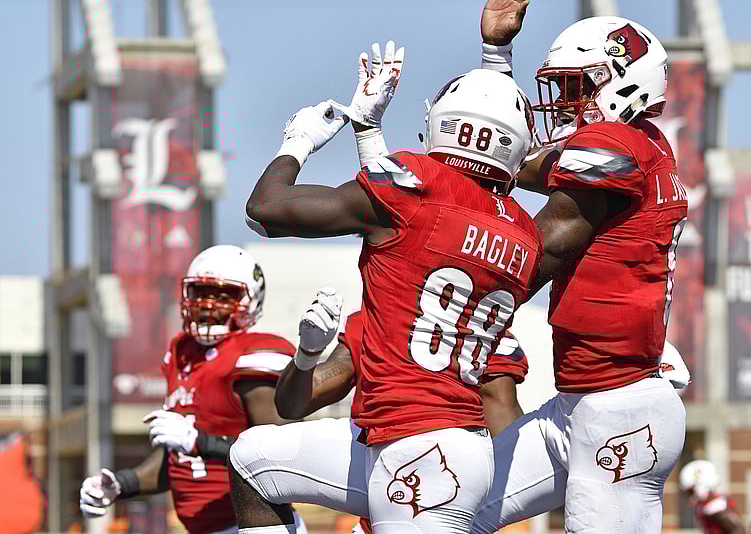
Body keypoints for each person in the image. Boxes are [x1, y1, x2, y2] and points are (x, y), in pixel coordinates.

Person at [233, 34, 551, 531]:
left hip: (418, 449)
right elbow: (418, 234)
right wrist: (368, 134)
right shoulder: (523, 233)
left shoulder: (413, 187)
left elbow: (266, 210)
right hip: (445, 443)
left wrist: (298, 141)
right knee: (254, 458)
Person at [461, 0, 688, 533]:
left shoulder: (614, 144)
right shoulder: (639, 144)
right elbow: (515, 161)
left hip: (617, 410)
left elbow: (549, 248)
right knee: (449, 510)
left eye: (574, 86)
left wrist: (467, 310)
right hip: (579, 403)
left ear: (622, 81)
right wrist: (495, 59)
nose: (561, 102)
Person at [79, 245, 307, 534]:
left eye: (223, 296)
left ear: (250, 302)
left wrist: (200, 442)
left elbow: (278, 454)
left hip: (255, 526)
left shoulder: (253, 354)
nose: (207, 304)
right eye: (200, 292)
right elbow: (174, 461)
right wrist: (120, 485)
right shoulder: (182, 355)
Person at [274, 308, 530, 534]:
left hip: (447, 507)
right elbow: (292, 405)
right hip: (379, 509)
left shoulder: (484, 330)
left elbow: (506, 439)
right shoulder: (372, 321)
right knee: (251, 455)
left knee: (250, 455)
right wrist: (307, 354)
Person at [679, 460, 745, 533]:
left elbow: (739, 531)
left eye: (691, 492)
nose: (689, 496)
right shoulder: (703, 508)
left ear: (701, 486)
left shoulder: (719, 507)